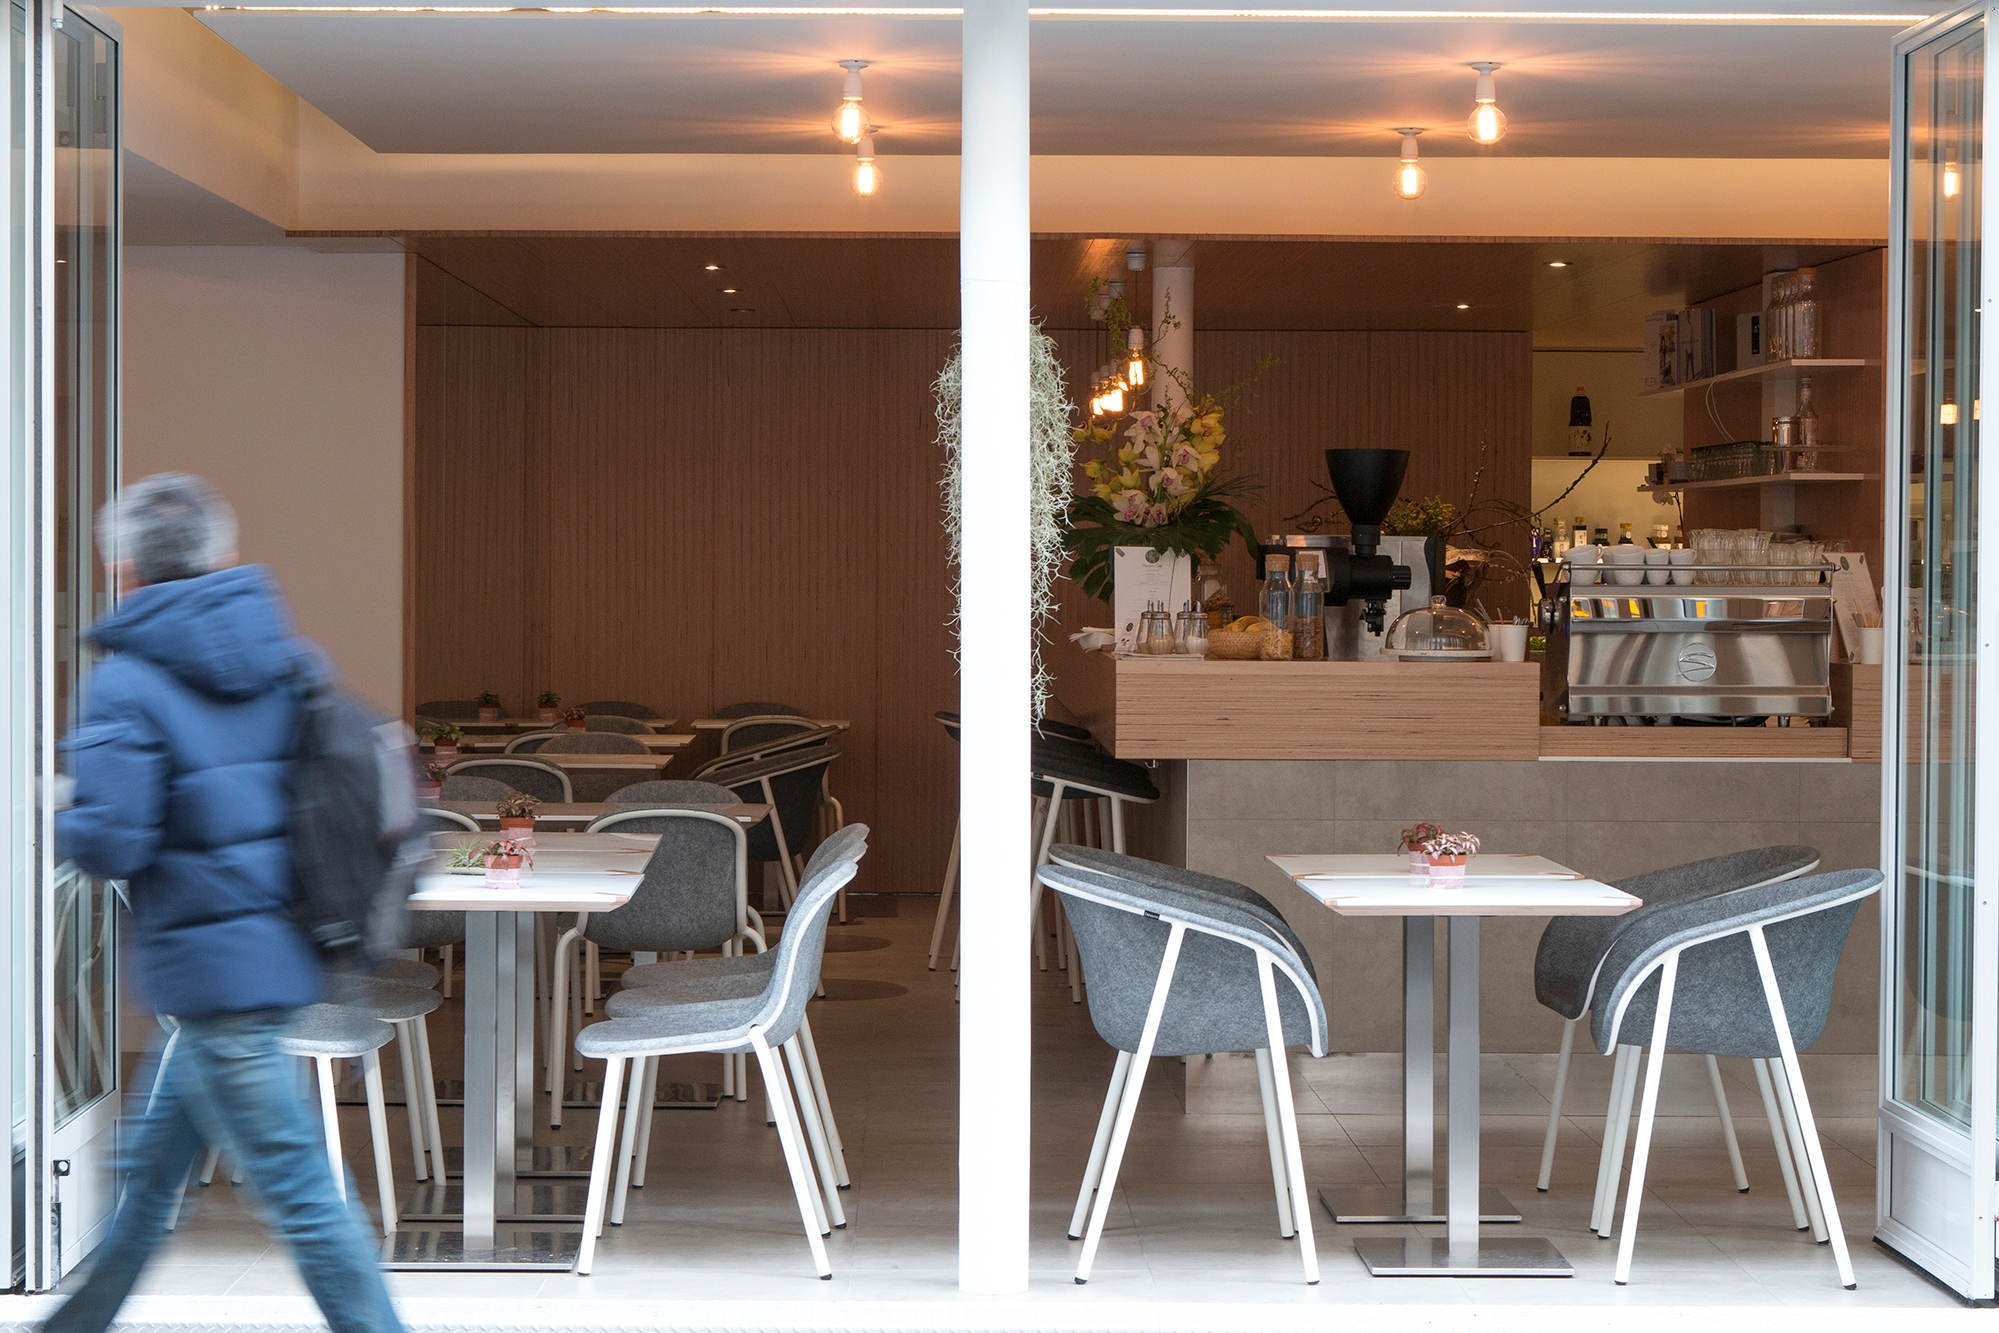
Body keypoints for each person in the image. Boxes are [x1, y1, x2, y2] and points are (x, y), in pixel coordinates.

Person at [43, 474, 403, 1333]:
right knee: (149, 1173)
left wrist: (59, 810)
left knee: (302, 1193)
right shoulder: (288, 660)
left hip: (213, 978)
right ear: (224, 555)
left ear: (122, 570)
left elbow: (113, 844)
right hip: (274, 952)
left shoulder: (125, 684)